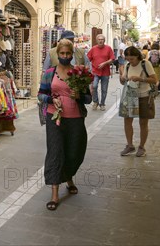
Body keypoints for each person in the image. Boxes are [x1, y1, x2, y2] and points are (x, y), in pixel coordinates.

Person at [38, 39, 92, 211]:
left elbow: (88, 99)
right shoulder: (49, 73)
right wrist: (51, 99)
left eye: (68, 54)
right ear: (57, 54)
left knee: (75, 150)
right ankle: (55, 193)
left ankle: (69, 178)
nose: (65, 56)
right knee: (55, 151)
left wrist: (79, 96)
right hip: (55, 117)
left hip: (75, 118)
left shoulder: (78, 73)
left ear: (72, 55)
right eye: (62, 53)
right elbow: (40, 95)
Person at [119, 46, 157, 157]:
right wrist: (122, 78)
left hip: (144, 96)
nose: (130, 61)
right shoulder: (127, 65)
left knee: (143, 122)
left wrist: (141, 79)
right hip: (130, 95)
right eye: (128, 59)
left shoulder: (145, 64)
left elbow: (155, 80)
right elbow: (124, 81)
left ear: (137, 56)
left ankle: (142, 147)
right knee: (127, 120)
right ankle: (130, 145)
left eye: (132, 59)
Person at [86, 34, 115, 111]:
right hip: (95, 72)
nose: (100, 40)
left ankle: (102, 104)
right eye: (99, 39)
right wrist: (87, 67)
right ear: (96, 40)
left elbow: (112, 59)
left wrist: (104, 63)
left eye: (102, 39)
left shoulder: (108, 48)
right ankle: (95, 102)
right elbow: (87, 58)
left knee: (104, 89)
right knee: (94, 86)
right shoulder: (93, 49)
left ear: (104, 40)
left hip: (105, 72)